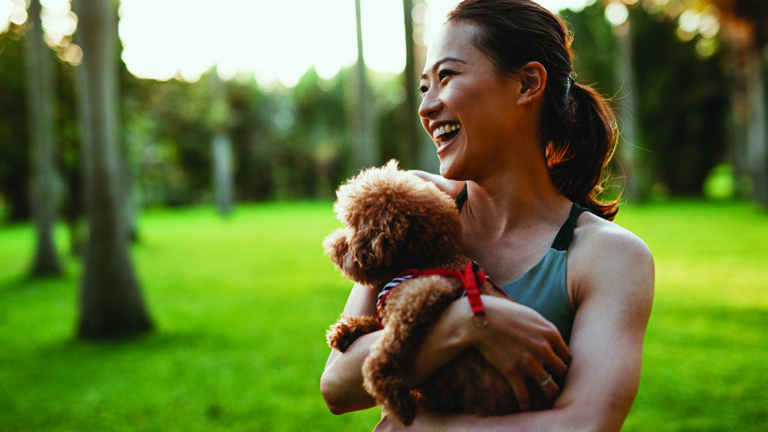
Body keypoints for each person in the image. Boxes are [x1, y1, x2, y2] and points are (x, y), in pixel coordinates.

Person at [320, 0, 655, 430]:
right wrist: (467, 322)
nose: (427, 106)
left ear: (526, 84)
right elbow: (338, 386)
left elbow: (586, 423)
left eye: (447, 76)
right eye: (425, 87)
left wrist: (421, 428)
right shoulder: (414, 214)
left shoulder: (608, 256)